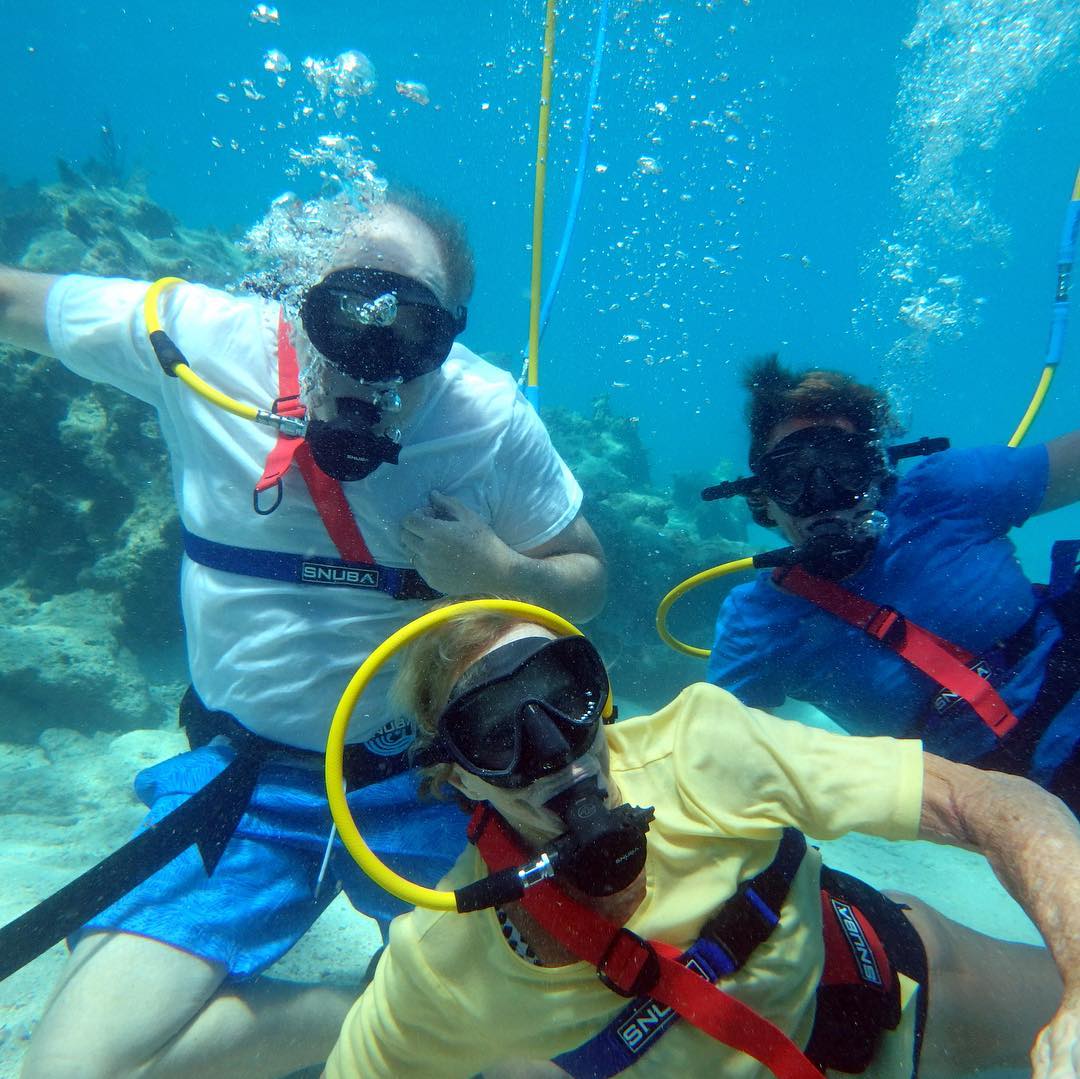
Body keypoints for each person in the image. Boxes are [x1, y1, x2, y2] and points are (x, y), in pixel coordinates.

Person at [0, 189, 606, 1079]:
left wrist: (503, 575)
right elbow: (14, 301)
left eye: (411, 326)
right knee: (75, 1067)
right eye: (347, 308)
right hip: (247, 787)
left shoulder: (487, 417)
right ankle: (378, 1016)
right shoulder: (201, 340)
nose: (374, 351)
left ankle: (434, 1018)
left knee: (546, 1059)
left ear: (449, 329)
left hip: (432, 781)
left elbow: (585, 577)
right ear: (294, 296)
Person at [323, 602, 1080, 1079]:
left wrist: (1075, 983)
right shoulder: (439, 967)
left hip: (899, 988)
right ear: (457, 779)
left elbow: (982, 797)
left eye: (564, 697)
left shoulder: (707, 746)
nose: (556, 748)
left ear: (602, 696)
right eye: (495, 731)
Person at [705, 354, 1080, 809]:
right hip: (1015, 798)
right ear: (764, 500)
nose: (823, 496)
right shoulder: (757, 623)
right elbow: (718, 764)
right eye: (792, 477)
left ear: (876, 469)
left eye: (842, 467)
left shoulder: (942, 491)